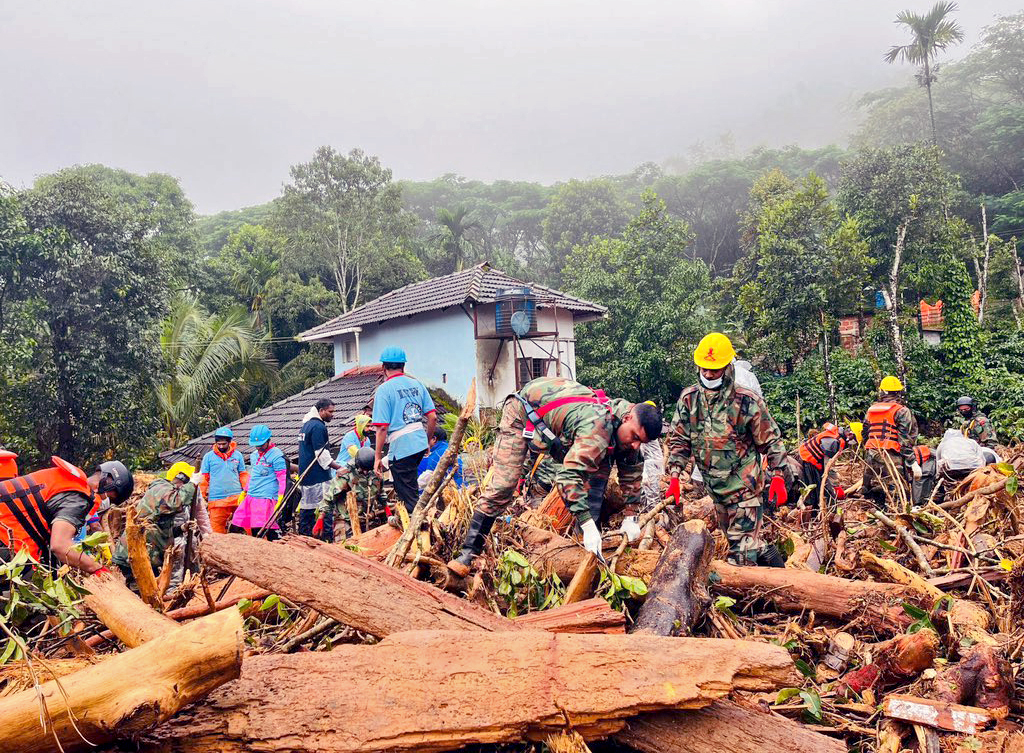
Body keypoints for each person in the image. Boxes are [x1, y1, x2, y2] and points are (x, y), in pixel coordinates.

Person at [447, 376, 662, 577]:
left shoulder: (627, 430)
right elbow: (567, 477)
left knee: (596, 485)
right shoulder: (597, 428)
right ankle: (468, 553)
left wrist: (631, 516)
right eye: (634, 437)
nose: (635, 445)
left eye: (641, 442)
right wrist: (588, 525)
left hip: (564, 417)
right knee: (505, 484)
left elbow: (631, 470)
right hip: (524, 411)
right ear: (627, 418)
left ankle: (585, 551)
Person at [666, 332, 788, 567]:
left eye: (715, 370)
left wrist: (779, 475)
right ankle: (770, 559)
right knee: (741, 542)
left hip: (744, 487)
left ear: (728, 367)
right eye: (705, 369)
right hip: (716, 490)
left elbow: (771, 440)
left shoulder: (746, 401)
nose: (709, 375)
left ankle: (754, 600)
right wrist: (674, 476)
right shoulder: (689, 400)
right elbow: (679, 440)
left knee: (740, 558)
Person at [0, 457, 133, 573]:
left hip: (6, 534)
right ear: (107, 484)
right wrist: (96, 568)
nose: (105, 501)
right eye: (109, 497)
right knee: (28, 585)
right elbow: (60, 546)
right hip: (4, 539)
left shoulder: (68, 481)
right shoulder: (79, 498)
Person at [371, 347, 437, 515]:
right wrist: (427, 441)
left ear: (383, 368)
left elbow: (382, 428)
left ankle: (418, 528)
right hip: (419, 443)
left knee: (407, 497)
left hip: (401, 448)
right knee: (411, 487)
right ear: (403, 366)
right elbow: (432, 418)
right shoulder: (417, 384)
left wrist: (377, 456)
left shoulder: (384, 390)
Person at [112, 462, 197, 578]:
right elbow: (176, 502)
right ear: (181, 478)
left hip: (143, 553)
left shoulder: (165, 490)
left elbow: (160, 529)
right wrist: (192, 484)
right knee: (140, 592)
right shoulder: (162, 489)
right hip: (133, 555)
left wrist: (182, 528)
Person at [861, 376, 919, 508]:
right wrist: (912, 461)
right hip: (891, 456)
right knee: (899, 491)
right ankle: (898, 518)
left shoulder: (871, 410)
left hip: (872, 454)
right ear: (899, 392)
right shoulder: (902, 411)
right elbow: (904, 440)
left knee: (876, 489)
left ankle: (878, 516)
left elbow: (865, 433)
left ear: (882, 391)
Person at [298, 398, 344, 540]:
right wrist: (339, 468)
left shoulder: (306, 425)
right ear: (321, 411)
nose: (332, 415)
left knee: (307, 510)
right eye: (330, 412)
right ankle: (327, 541)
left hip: (306, 476)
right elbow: (322, 455)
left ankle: (304, 538)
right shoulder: (318, 427)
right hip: (318, 477)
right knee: (325, 510)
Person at [781, 423, 856, 508]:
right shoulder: (833, 442)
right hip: (808, 459)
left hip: (812, 460)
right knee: (813, 490)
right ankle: (810, 509)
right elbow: (828, 467)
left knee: (819, 486)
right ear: (850, 434)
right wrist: (835, 486)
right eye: (852, 439)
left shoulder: (836, 436)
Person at [231, 425, 287, 538]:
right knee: (252, 528)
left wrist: (281, 497)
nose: (258, 448)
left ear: (268, 440)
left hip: (267, 497)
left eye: (261, 445)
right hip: (252, 496)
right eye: (256, 445)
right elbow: (253, 475)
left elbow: (282, 478)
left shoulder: (277, 456)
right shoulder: (254, 456)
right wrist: (245, 491)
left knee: (269, 528)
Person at [199, 427, 249, 534]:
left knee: (246, 526)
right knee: (216, 533)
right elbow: (204, 479)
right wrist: (201, 497)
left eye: (224, 444)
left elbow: (243, 475)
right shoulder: (208, 457)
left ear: (230, 442)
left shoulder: (238, 455)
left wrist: (247, 491)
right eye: (219, 444)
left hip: (237, 498)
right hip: (217, 500)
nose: (221, 446)